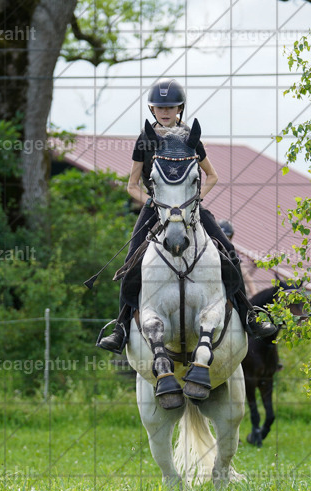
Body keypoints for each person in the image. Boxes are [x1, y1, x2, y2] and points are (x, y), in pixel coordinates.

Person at [96, 78, 277, 353]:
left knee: (228, 252)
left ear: (180, 108)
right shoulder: (145, 139)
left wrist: (191, 202)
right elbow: (132, 185)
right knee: (131, 261)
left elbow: (212, 176)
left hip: (189, 207)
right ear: (151, 109)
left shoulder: (190, 137)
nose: (165, 111)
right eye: (159, 107)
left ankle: (249, 314)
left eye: (170, 107)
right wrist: (157, 204)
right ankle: (120, 327)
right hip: (155, 206)